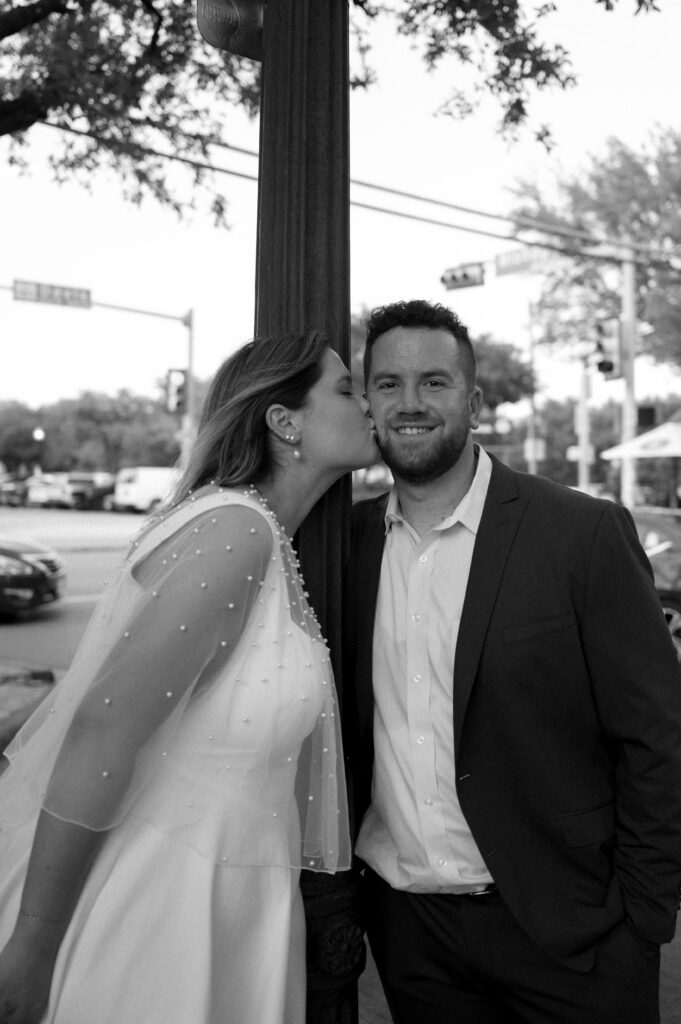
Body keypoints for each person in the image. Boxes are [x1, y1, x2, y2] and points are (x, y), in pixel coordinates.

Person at [0, 330, 378, 1024]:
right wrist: (32, 946)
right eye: (348, 390)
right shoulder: (234, 530)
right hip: (157, 909)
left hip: (234, 901)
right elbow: (99, 730)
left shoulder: (267, 538)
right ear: (284, 421)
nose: (370, 404)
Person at [345, 299, 681, 1024]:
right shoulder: (344, 544)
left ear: (473, 399)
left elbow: (656, 735)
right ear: (366, 401)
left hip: (573, 931)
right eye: (388, 384)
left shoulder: (581, 533)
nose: (410, 403)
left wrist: (644, 915)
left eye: (433, 383)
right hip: (412, 935)